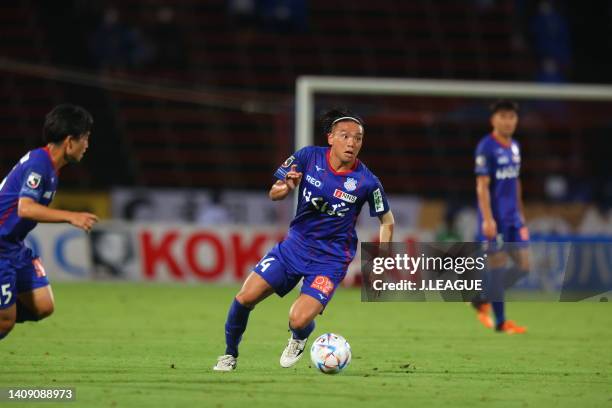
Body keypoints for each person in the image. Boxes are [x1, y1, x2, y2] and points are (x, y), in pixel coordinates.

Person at [213, 109, 395, 371]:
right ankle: (229, 355)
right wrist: (286, 187)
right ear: (331, 137)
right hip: (293, 247)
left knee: (298, 320)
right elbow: (274, 194)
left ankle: (299, 337)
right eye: (345, 136)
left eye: (358, 138)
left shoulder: (367, 181)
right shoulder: (308, 156)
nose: (352, 143)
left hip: (330, 259)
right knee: (245, 297)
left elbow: (387, 221)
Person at [0, 104, 99, 340]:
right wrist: (71, 216)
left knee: (43, 305)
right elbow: (26, 208)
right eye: (85, 138)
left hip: (13, 246)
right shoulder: (39, 164)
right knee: (5, 322)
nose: (87, 145)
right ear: (69, 141)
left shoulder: (51, 169)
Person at [471, 100, 529, 334]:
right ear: (493, 120)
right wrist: (488, 219)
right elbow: (482, 186)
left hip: (513, 218)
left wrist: (522, 216)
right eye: (503, 116)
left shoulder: (515, 147)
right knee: (498, 266)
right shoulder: (486, 147)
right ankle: (501, 322)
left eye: (512, 117)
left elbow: (515, 183)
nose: (508, 121)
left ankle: (483, 296)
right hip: (495, 219)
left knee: (524, 266)